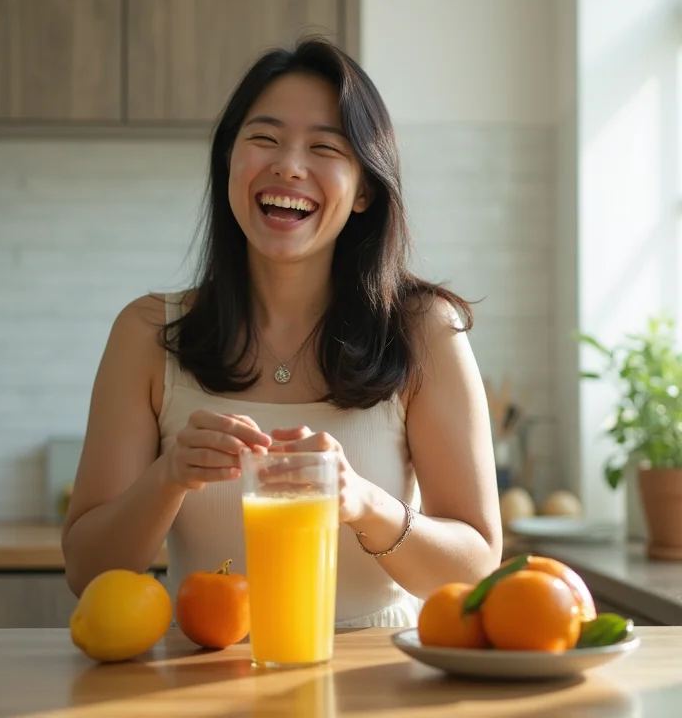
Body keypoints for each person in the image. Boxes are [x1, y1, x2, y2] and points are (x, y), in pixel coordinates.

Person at [61, 37, 503, 627]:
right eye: (264, 139)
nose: (289, 166)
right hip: (202, 687)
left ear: (365, 188)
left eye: (324, 147)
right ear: (229, 162)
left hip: (379, 690)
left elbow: (477, 570)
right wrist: (167, 478)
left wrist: (362, 501)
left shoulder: (424, 332)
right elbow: (86, 572)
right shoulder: (147, 332)